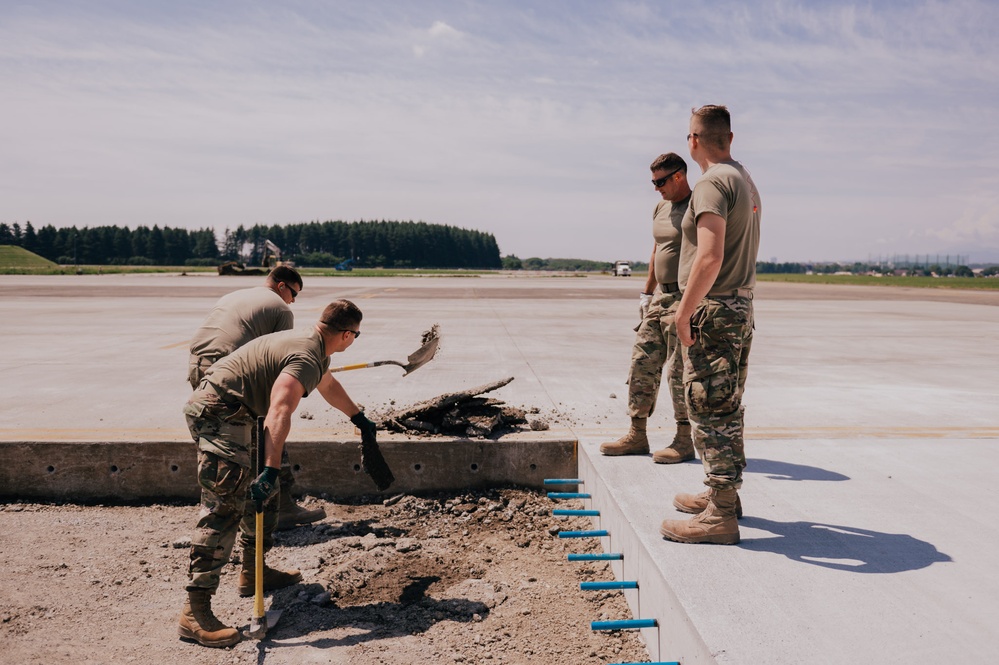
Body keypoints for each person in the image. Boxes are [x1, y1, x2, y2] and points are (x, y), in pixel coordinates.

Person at [178, 299, 377, 647]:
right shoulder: (305, 356)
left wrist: (358, 418)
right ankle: (195, 612)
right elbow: (279, 411)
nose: (354, 341)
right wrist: (269, 469)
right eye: (356, 336)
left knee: (264, 497)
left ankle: (253, 573)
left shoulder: (314, 347)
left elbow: (327, 385)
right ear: (347, 334)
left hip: (236, 412)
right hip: (219, 412)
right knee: (225, 505)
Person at [659, 105, 761, 546]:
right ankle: (724, 495)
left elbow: (710, 254)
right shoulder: (743, 178)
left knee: (708, 406)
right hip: (739, 306)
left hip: (714, 310)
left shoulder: (712, 181)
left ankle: (720, 514)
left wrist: (684, 311)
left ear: (694, 140)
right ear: (730, 137)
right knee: (727, 405)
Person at [188, 266, 325, 530]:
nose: (293, 300)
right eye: (294, 293)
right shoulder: (281, 309)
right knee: (268, 431)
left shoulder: (236, 295)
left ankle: (222, 510)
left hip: (199, 366)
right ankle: (279, 507)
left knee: (218, 444)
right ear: (282, 286)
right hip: (230, 370)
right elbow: (277, 359)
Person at [600, 152, 695, 463]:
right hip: (661, 298)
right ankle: (637, 434)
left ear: (679, 176)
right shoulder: (660, 207)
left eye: (661, 181)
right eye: (653, 182)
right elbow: (657, 250)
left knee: (679, 371)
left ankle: (684, 438)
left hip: (686, 298)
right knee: (642, 362)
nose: (656, 188)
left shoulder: (698, 206)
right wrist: (646, 293)